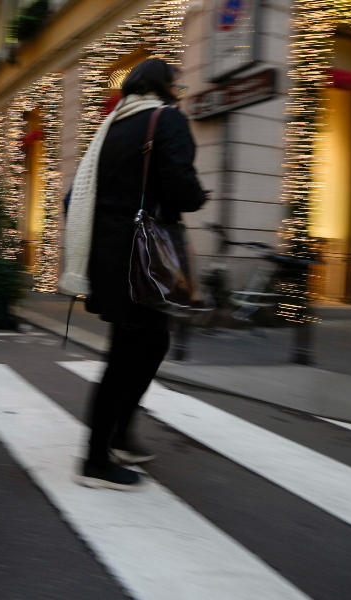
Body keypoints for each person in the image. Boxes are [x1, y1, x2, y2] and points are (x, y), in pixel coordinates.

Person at [60, 58, 209, 491]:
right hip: (144, 260)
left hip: (109, 259)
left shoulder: (112, 127)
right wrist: (199, 195)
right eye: (177, 83)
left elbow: (80, 197)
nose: (179, 90)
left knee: (149, 342)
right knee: (128, 354)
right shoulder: (167, 121)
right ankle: (94, 459)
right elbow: (182, 187)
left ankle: (120, 435)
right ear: (164, 86)